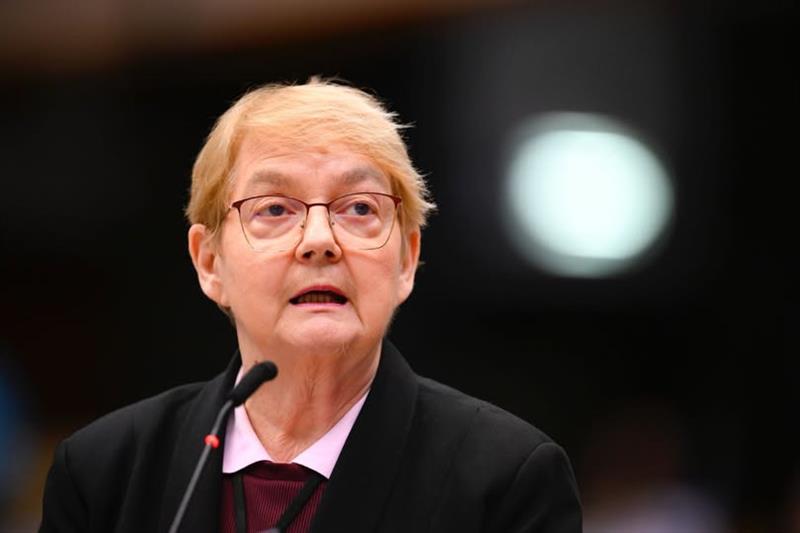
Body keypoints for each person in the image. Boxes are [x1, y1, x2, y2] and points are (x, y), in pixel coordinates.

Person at [39, 79, 582, 533]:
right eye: (275, 209)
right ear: (209, 262)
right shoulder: (105, 472)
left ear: (406, 260)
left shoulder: (506, 480)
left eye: (359, 208)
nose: (319, 240)